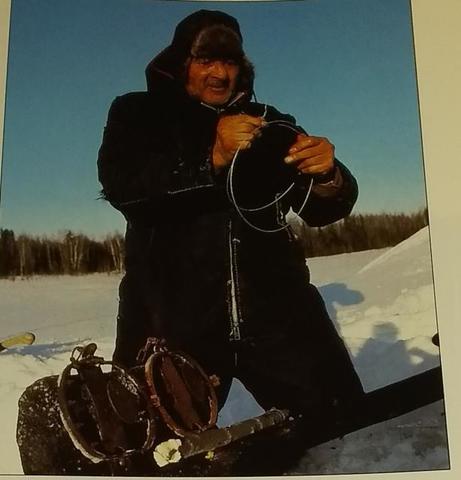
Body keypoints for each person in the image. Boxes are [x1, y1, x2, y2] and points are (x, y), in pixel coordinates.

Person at [98, 9, 363, 473]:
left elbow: (320, 209)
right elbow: (124, 187)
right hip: (171, 321)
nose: (220, 73)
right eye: (206, 60)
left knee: (349, 428)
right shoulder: (137, 114)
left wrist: (328, 175)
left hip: (278, 314)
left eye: (230, 61)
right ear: (181, 64)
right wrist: (212, 158)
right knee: (143, 456)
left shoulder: (270, 121)